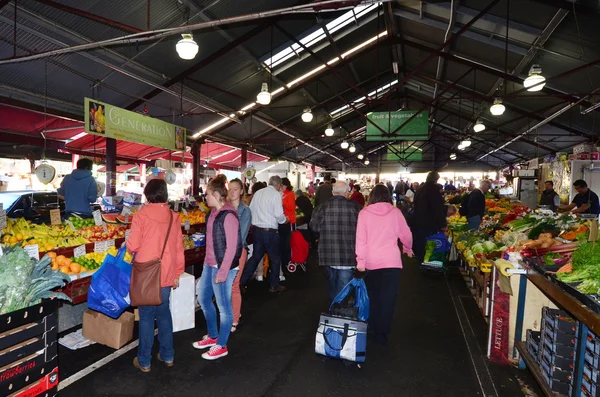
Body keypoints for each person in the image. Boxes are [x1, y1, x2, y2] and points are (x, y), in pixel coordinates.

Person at [127, 179, 184, 372]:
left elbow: (133, 245)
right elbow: (178, 248)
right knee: (164, 315)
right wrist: (177, 273)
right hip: (166, 273)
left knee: (145, 318)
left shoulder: (141, 215)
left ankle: (144, 361)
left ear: (147, 193)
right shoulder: (173, 216)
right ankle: (168, 356)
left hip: (146, 274)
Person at [356, 184, 413, 345]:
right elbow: (407, 235)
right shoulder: (395, 213)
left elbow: (361, 240)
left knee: (372, 297)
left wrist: (360, 261)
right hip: (392, 263)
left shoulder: (364, 213)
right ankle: (382, 334)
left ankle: (371, 328)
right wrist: (408, 248)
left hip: (370, 263)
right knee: (388, 299)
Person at [193, 175, 242, 360]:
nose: (205, 198)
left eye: (207, 194)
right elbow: (212, 243)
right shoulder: (212, 213)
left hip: (224, 267)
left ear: (215, 194)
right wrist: (207, 263)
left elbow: (231, 247)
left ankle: (222, 345)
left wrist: (222, 272)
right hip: (210, 264)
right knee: (204, 298)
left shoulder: (228, 215)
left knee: (224, 307)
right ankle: (213, 336)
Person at [310, 181, 362, 302]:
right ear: (346, 193)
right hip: (348, 256)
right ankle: (339, 314)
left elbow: (314, 228)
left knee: (333, 285)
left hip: (327, 255)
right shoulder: (356, 208)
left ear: (333, 193)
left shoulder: (321, 208)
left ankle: (334, 311)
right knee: (343, 289)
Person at [240, 176, 288, 293]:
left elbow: (251, 209)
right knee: (275, 259)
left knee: (256, 257)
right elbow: (278, 214)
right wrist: (284, 220)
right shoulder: (276, 195)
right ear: (278, 185)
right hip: (270, 232)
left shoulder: (258, 193)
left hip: (257, 231)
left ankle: (241, 282)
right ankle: (274, 285)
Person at [228, 178, 251, 333]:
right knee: (226, 285)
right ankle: (235, 312)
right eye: (230, 188)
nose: (232, 191)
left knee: (234, 285)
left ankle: (234, 319)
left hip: (238, 250)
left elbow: (241, 236)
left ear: (242, 191)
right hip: (224, 251)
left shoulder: (245, 211)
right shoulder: (225, 208)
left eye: (235, 188)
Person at [412, 172, 447, 262]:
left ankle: (420, 261)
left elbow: (415, 204)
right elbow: (437, 208)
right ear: (436, 179)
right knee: (430, 244)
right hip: (429, 222)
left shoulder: (420, 189)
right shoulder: (434, 189)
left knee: (420, 242)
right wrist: (443, 224)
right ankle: (428, 263)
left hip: (418, 220)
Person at [279, 178, 296, 271]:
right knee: (283, 243)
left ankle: (288, 261)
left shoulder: (290, 194)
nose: (281, 187)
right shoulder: (282, 194)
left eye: (282, 185)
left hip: (289, 221)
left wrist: (283, 201)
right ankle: (284, 261)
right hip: (282, 221)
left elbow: (291, 207)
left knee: (288, 243)